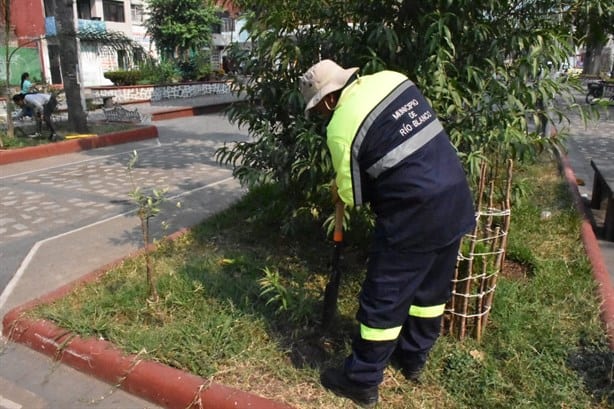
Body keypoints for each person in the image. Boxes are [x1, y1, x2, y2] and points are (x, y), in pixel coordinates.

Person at [299, 60, 476, 408]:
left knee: (385, 295)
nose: (319, 113)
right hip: (454, 196)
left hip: (413, 215)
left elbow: (353, 197)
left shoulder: (340, 127)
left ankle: (361, 379)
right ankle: (413, 359)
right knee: (431, 290)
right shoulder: (395, 79)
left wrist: (340, 189)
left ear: (329, 99)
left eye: (317, 106)